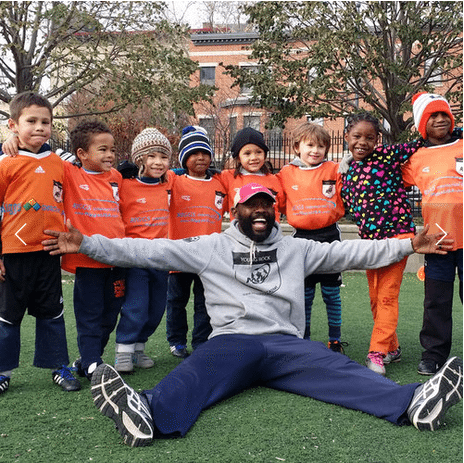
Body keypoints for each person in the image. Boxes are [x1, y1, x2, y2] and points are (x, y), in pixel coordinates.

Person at [43, 183, 462, 447]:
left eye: (267, 206)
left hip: (285, 344)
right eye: (251, 206)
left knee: (340, 370)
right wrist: (89, 243)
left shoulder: (296, 248)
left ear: (275, 212)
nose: (260, 211)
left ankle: (412, 403)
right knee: (197, 372)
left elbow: (350, 251)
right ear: (235, 212)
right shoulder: (211, 246)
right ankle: (147, 414)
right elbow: (148, 251)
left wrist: (409, 243)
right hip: (232, 341)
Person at [0, 92, 80, 394]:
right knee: (7, 316)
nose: (39, 127)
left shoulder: (60, 162)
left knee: (52, 313)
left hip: (49, 252)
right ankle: (2, 370)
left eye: (45, 122)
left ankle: (58, 365)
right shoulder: (6, 162)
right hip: (13, 254)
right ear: (13, 125)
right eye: (31, 121)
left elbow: (96, 168)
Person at [340, 112, 425, 375]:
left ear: (378, 140)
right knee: (376, 298)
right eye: (357, 136)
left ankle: (376, 351)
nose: (362, 142)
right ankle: (392, 347)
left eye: (369, 137)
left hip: (398, 238)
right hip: (370, 245)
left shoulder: (387, 156)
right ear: (346, 137)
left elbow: (419, 143)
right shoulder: (346, 170)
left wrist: (456, 135)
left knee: (387, 296)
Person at [402, 92, 463, 375]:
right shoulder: (415, 157)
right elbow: (384, 172)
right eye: (432, 116)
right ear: (421, 124)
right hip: (437, 242)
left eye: (444, 115)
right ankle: (434, 355)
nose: (440, 119)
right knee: (436, 301)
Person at [62, 120, 126, 380]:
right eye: (102, 149)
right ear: (82, 154)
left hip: (117, 259)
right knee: (89, 315)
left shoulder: (118, 177)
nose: (110, 155)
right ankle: (92, 363)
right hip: (87, 261)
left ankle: (88, 359)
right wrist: (11, 142)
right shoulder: (70, 175)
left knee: (110, 315)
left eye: (112, 149)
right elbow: (40, 153)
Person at [277, 122, 346, 352]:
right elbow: (277, 202)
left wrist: (349, 166)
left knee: (331, 293)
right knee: (304, 294)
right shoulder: (286, 173)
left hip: (329, 237)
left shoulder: (334, 169)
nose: (315, 150)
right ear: (297, 147)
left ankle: (334, 339)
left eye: (321, 146)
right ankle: (303, 339)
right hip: (301, 239)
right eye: (310, 145)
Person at [114, 128, 174, 373]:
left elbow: (194, 177)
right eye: (152, 157)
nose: (158, 162)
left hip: (160, 257)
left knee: (157, 307)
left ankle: (139, 348)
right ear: (139, 159)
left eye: (163, 157)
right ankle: (124, 350)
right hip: (134, 256)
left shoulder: (170, 182)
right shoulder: (125, 184)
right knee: (136, 305)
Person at [166, 126, 226, 358]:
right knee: (176, 301)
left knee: (205, 302)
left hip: (209, 255)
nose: (200, 157)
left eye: (204, 152)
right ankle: (177, 341)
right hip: (179, 254)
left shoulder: (219, 182)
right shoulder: (175, 179)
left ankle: (202, 340)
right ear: (183, 158)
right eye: (193, 153)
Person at [220, 127, 284, 219]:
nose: (254, 157)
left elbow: (282, 206)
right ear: (238, 157)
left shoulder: (274, 180)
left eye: (258, 152)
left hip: (270, 232)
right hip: (240, 232)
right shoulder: (227, 177)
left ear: (265, 155)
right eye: (247, 153)